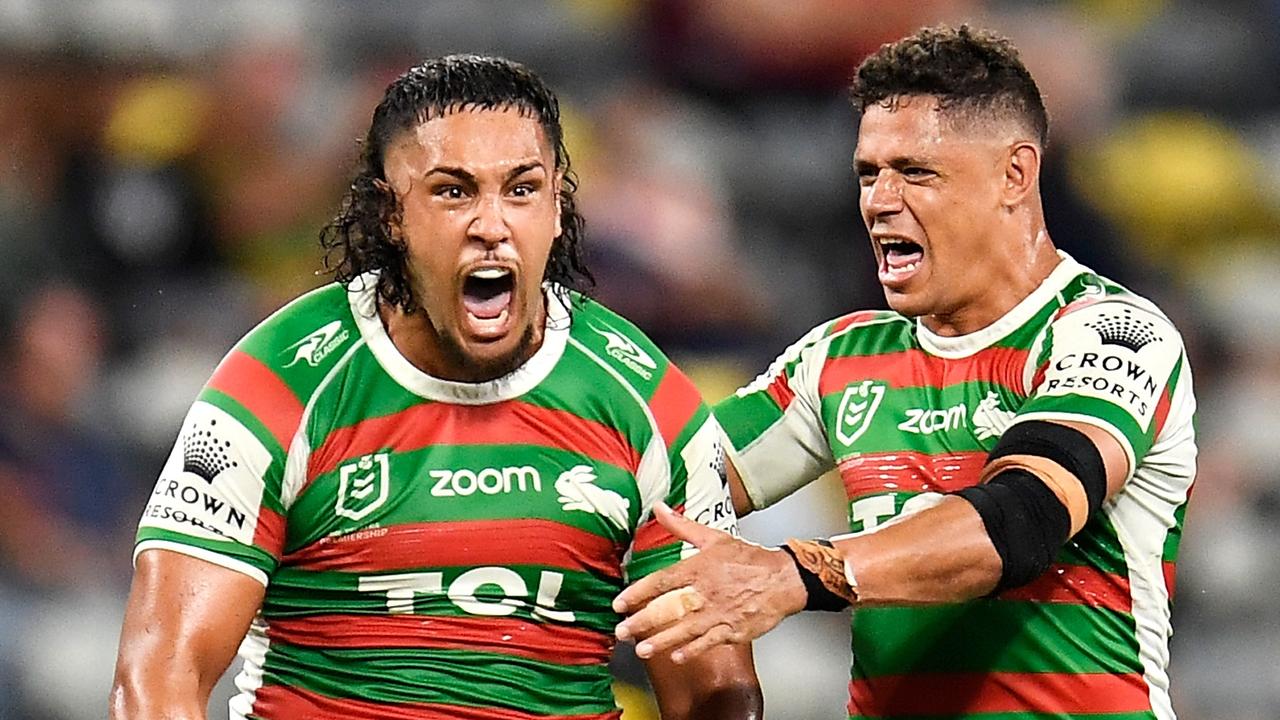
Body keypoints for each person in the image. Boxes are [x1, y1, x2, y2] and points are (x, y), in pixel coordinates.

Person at [110, 55, 761, 720]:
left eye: (521, 190)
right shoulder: (280, 382)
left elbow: (715, 694)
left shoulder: (645, 400)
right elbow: (161, 676)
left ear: (559, 207)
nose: (491, 224)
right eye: (453, 192)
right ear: (390, 214)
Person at [614, 25, 1196, 720]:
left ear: (1015, 174)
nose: (879, 201)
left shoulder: (1111, 333)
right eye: (868, 172)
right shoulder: (839, 358)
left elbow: (1022, 521)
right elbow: (654, 484)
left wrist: (799, 573)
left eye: (915, 171)